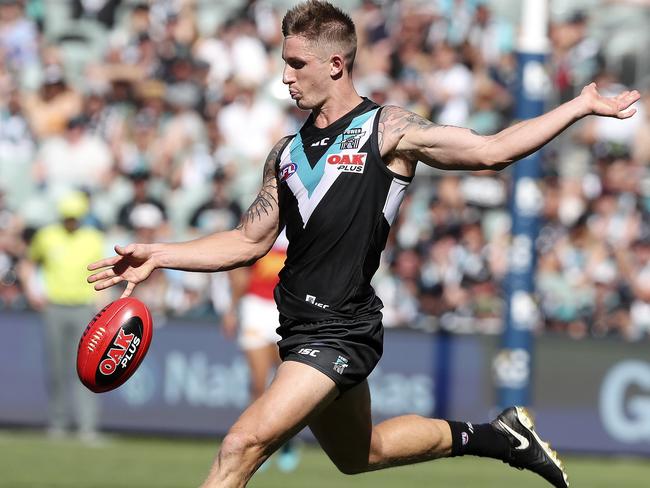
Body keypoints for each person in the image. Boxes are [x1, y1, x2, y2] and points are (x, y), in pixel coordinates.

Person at [87, 2, 640, 487]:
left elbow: (490, 151)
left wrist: (578, 107)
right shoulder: (285, 152)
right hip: (299, 326)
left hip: (341, 330)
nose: (284, 76)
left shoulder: (387, 130)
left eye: (295, 63)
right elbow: (246, 240)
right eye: (283, 61)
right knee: (360, 454)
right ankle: (500, 437)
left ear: (335, 64)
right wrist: (159, 253)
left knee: (240, 447)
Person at [19, 190, 105, 443]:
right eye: (67, 217)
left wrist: (102, 304)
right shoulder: (47, 236)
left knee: (87, 369)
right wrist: (33, 291)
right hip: (54, 306)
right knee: (56, 367)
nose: (71, 222)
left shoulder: (92, 238)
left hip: (83, 308)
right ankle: (57, 423)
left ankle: (87, 426)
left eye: (75, 217)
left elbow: (104, 273)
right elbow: (28, 263)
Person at [222, 231, 300, 472]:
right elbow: (238, 268)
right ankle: (254, 442)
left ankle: (286, 441)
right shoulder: (263, 224)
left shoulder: (303, 217)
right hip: (255, 307)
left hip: (284, 308)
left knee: (284, 383)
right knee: (258, 384)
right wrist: (232, 309)